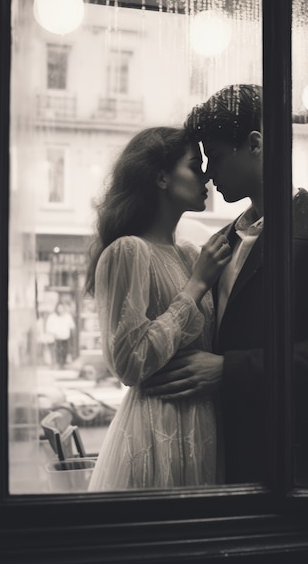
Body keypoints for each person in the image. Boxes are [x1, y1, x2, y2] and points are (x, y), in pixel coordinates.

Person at [144, 84, 308, 487]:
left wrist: (230, 369)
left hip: (292, 467)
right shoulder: (222, 241)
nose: (207, 173)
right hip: (218, 455)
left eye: (215, 157)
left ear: (255, 144)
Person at [83, 126, 232, 490]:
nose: (207, 176)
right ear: (162, 177)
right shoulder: (128, 251)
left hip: (203, 429)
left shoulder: (189, 254)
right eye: (195, 166)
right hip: (155, 429)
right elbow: (130, 363)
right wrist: (196, 286)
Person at [45, 302, 75, 369]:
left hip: (66, 338)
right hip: (56, 338)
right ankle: (57, 365)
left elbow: (72, 326)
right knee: (57, 353)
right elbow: (48, 328)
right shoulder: (53, 317)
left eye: (61, 308)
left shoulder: (67, 316)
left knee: (64, 353)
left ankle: (63, 365)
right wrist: (55, 333)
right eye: (59, 308)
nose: (60, 310)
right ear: (56, 308)